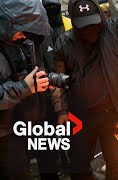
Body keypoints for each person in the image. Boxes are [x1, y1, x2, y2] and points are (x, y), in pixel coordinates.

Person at [53, 0, 118, 179]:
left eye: (93, 22)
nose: (90, 29)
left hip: (115, 113)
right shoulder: (64, 42)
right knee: (79, 165)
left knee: (117, 162)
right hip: (80, 115)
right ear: (74, 23)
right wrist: (61, 111)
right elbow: (59, 83)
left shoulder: (115, 31)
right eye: (84, 26)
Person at [0, 0, 53, 179]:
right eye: (20, 30)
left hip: (22, 120)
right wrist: (25, 87)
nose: (24, 35)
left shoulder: (24, 40)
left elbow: (31, 69)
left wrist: (43, 78)